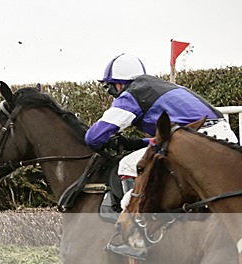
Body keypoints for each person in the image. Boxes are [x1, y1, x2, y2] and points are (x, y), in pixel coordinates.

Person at [86, 53, 238, 212]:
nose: (114, 95)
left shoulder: (134, 93)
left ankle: (135, 220)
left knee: (127, 165)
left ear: (119, 84)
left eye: (110, 88)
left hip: (196, 142)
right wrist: (135, 143)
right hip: (223, 138)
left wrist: (104, 143)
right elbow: (168, 137)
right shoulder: (166, 87)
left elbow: (93, 137)